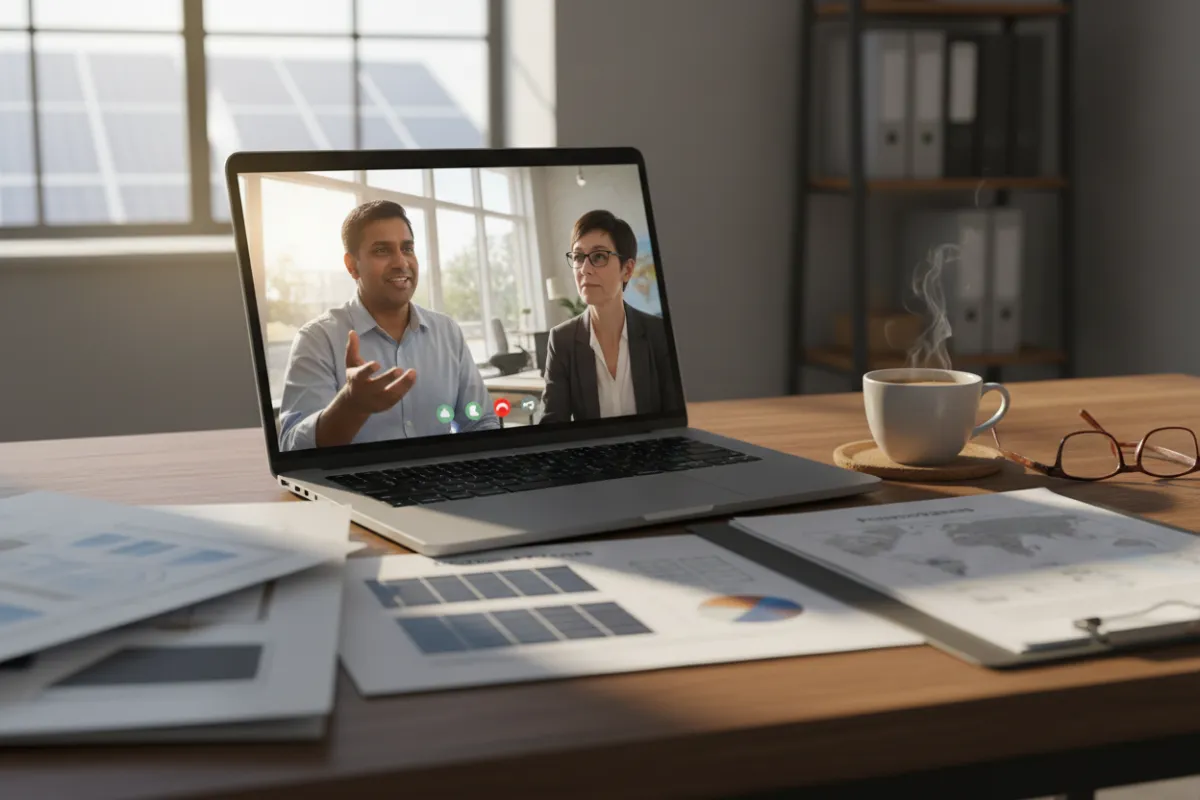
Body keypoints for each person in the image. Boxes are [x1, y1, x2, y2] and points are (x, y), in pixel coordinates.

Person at [278, 200, 498, 450]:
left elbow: (480, 423)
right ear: (352, 266)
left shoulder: (447, 331)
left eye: (407, 248)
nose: (401, 262)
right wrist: (350, 407)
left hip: (444, 483)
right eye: (382, 250)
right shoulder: (318, 338)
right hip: (355, 485)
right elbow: (293, 448)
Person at [540, 209, 683, 424]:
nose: (585, 269)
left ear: (627, 270)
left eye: (599, 256)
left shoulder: (659, 334)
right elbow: (551, 427)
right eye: (578, 257)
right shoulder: (562, 341)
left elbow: (676, 421)